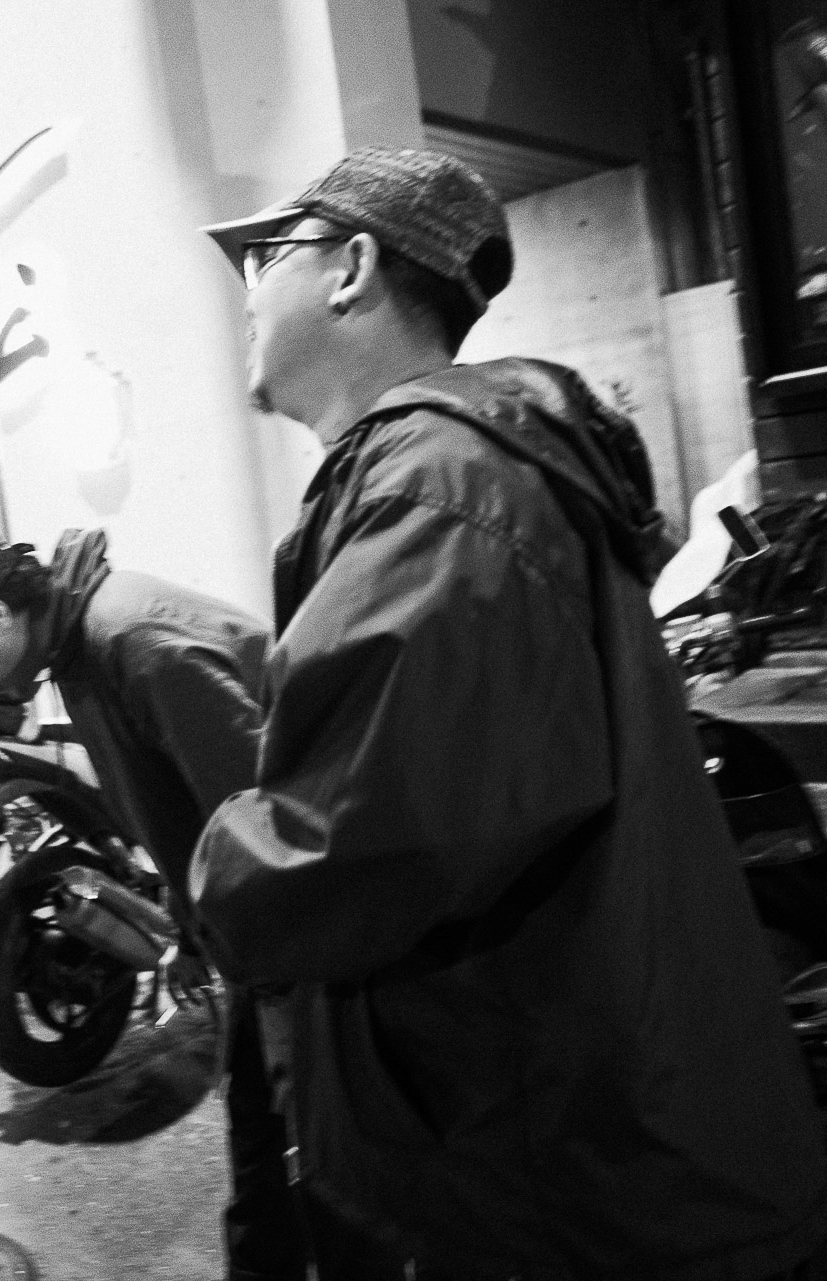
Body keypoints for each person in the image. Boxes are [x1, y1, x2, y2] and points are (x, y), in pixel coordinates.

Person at [191, 145, 827, 1278]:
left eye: (266, 255)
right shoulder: (451, 473)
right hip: (569, 1144)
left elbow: (350, 845)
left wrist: (210, 880)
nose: (245, 290)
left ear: (352, 268)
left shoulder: (439, 495)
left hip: (564, 1181)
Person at [0, 514, 308, 1281]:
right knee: (264, 1159)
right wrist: (191, 931)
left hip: (304, 942)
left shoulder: (135, 642)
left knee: (326, 1168)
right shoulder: (78, 653)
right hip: (258, 940)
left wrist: (281, 990)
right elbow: (178, 810)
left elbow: (268, 824)